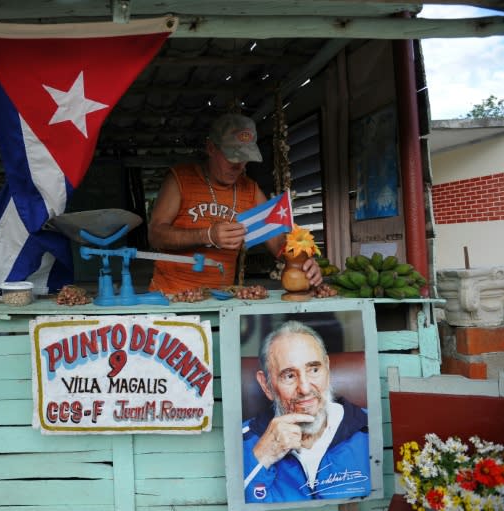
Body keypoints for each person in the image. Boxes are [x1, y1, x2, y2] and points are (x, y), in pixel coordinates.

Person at [147, 113, 322, 294]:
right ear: (211, 148)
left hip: (221, 301)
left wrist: (303, 262)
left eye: (244, 158)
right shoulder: (180, 179)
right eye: (232, 157)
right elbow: (155, 234)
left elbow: (278, 242)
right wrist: (207, 235)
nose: (238, 166)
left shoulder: (250, 190)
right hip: (169, 297)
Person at [242, 320, 371, 503]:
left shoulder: (372, 430)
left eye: (314, 369)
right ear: (267, 385)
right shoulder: (240, 444)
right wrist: (261, 458)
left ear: (327, 368)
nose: (304, 388)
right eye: (289, 375)